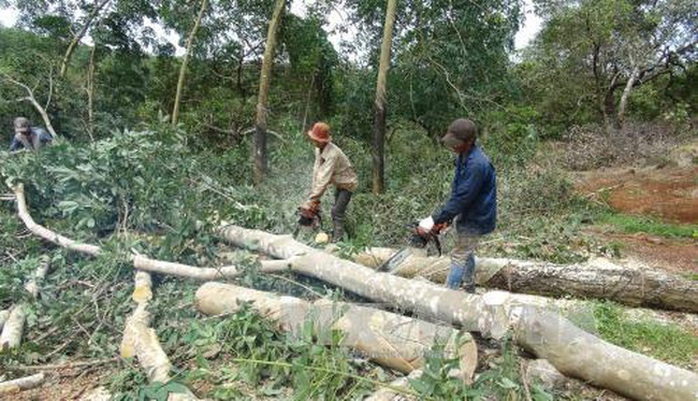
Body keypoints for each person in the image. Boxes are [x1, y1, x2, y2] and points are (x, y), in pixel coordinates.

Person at [418, 118, 496, 293]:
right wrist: (446, 217)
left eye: (457, 143)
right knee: (466, 250)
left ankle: (448, 297)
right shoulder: (464, 156)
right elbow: (458, 192)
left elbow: (462, 197)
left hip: (477, 216)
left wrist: (433, 219)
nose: (453, 147)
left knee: (459, 255)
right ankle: (469, 288)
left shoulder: (477, 165)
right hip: (467, 212)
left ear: (469, 142)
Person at [300, 122, 358, 242]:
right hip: (338, 183)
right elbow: (317, 171)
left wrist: (312, 199)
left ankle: (339, 241)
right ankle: (342, 236)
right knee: (337, 212)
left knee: (336, 211)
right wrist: (313, 198)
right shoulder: (319, 149)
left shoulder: (333, 154)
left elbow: (324, 178)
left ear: (323, 140)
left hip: (348, 184)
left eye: (316, 139)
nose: (313, 141)